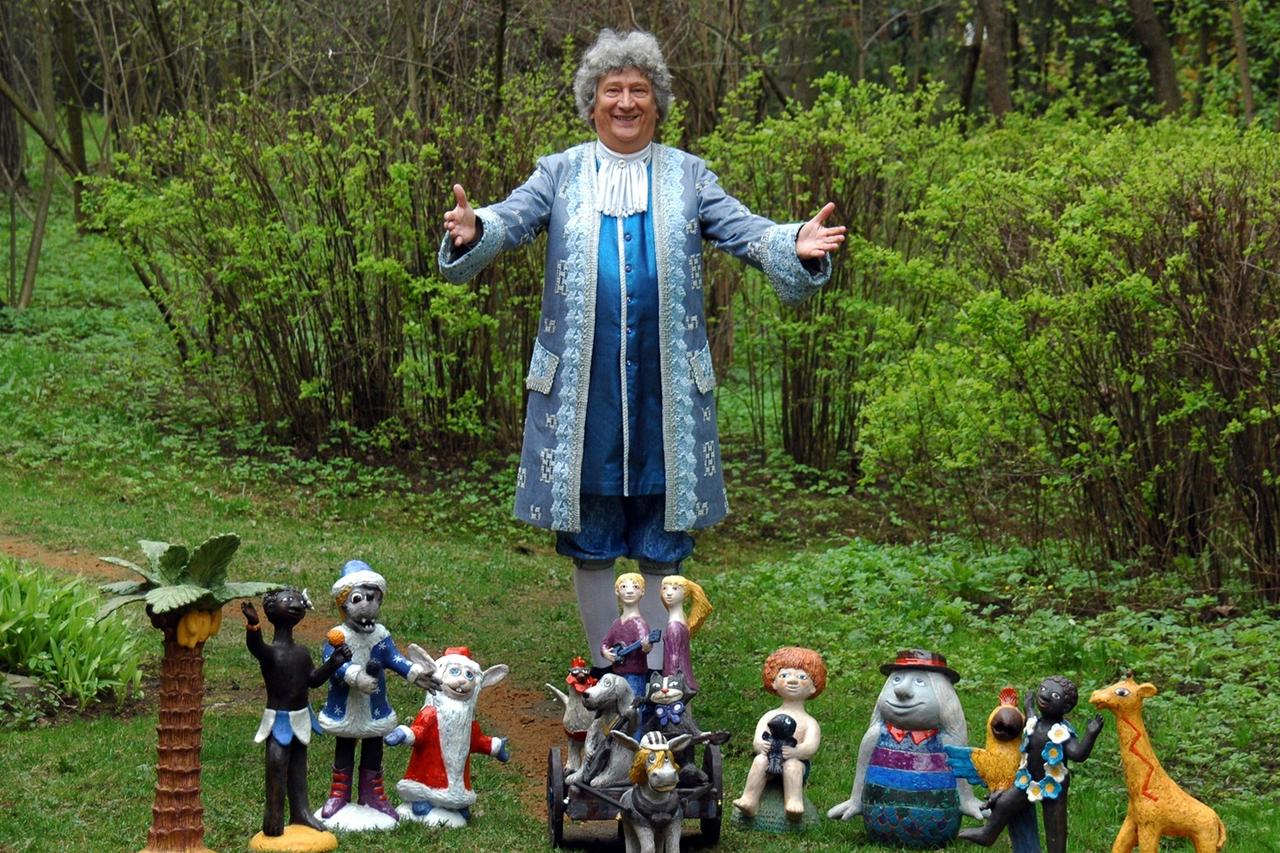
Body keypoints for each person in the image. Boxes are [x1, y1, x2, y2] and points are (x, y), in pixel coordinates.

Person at [437, 29, 845, 665]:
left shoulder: (688, 175)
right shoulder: (559, 173)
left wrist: (791, 241)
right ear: (592, 102)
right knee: (592, 530)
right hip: (583, 394)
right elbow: (509, 219)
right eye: (612, 90)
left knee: (662, 534)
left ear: (657, 103)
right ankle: (608, 679)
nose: (625, 102)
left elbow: (742, 228)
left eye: (638, 90)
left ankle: (659, 679)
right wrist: (475, 227)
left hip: (666, 393)